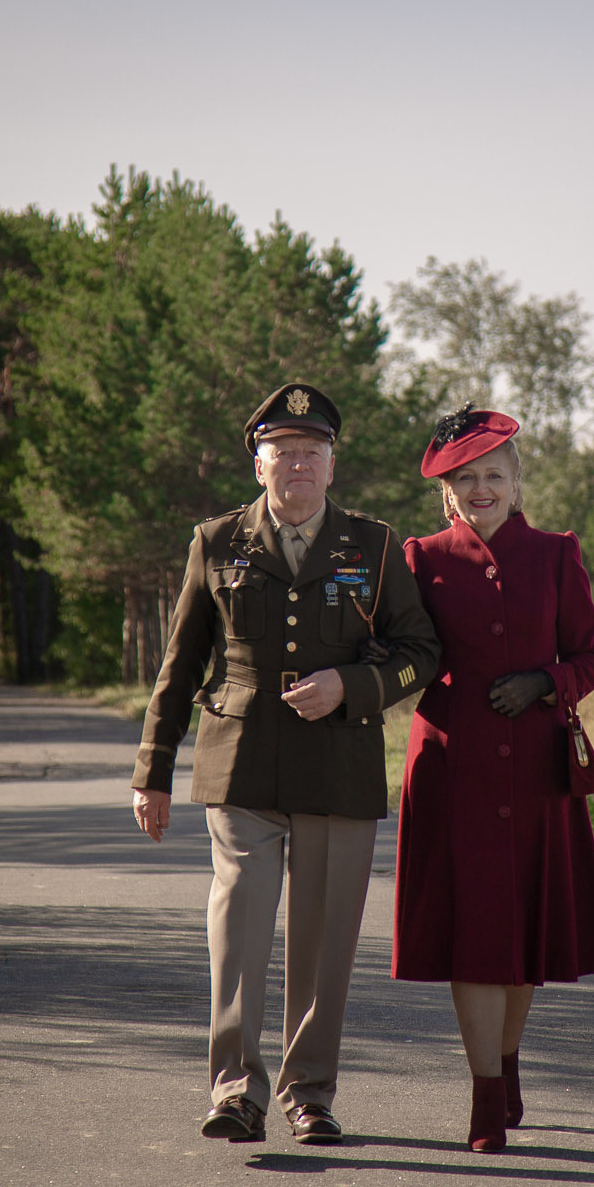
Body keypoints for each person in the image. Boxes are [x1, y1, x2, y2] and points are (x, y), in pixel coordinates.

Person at [130, 382, 439, 1146]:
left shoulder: (371, 547)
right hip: (241, 766)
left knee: (325, 939)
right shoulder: (218, 542)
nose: (298, 464)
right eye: (283, 452)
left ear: (332, 466)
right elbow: (180, 664)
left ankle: (309, 1093)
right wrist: (152, 769)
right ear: (258, 463)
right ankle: (236, 1090)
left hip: (339, 767)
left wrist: (350, 685)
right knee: (238, 927)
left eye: (313, 452)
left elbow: (422, 653)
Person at [393, 404, 594, 1153]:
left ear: (517, 482)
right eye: (467, 478)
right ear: (449, 493)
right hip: (451, 770)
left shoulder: (557, 554)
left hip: (536, 770)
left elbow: (593, 655)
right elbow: (401, 652)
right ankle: (485, 1094)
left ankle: (508, 1058)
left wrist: (546, 681)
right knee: (475, 934)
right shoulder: (421, 558)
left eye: (494, 474)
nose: (482, 487)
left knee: (523, 929)